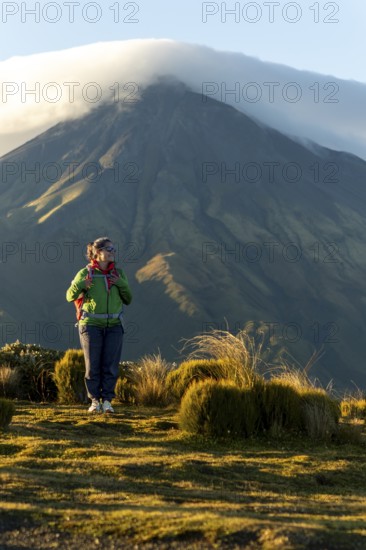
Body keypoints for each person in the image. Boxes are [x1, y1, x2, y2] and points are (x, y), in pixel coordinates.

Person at [66, 237, 132, 413]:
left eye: (114, 249)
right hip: (91, 325)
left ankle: (108, 402)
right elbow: (69, 295)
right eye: (109, 249)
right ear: (97, 252)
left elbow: (128, 299)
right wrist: (82, 284)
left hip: (115, 326)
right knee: (93, 365)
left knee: (110, 365)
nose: (113, 252)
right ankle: (95, 401)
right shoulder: (85, 273)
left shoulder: (119, 274)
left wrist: (120, 283)